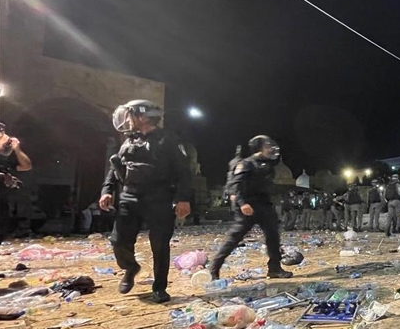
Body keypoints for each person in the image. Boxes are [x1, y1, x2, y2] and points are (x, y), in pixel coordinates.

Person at [99, 100, 192, 303]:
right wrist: (107, 191)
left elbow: (184, 171)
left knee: (159, 244)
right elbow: (116, 169)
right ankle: (130, 267)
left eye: (130, 115)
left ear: (142, 116)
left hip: (159, 197)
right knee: (118, 240)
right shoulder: (128, 141)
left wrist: (183, 198)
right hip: (130, 196)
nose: (126, 120)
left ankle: (159, 287)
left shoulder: (168, 139)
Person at [208, 135, 292, 280]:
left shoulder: (268, 165)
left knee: (273, 237)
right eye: (267, 146)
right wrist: (242, 203)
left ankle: (275, 268)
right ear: (259, 148)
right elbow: (236, 184)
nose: (270, 149)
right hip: (248, 207)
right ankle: (214, 267)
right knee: (235, 238)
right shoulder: (247, 164)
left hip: (265, 205)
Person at [0, 122, 28, 246]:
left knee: (1, 231)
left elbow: (26, 165)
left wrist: (16, 148)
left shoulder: (3, 160)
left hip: (1, 202)